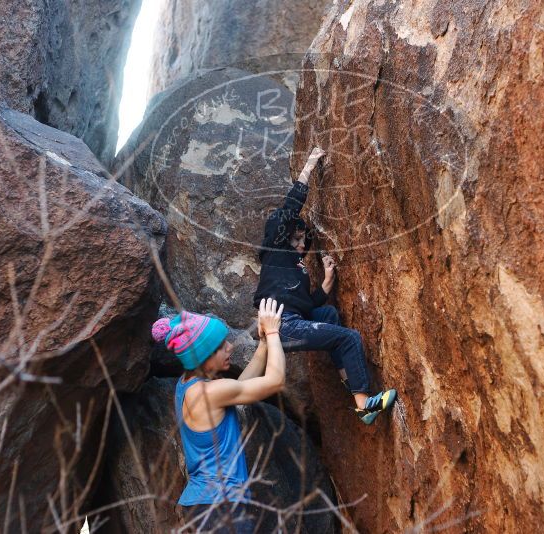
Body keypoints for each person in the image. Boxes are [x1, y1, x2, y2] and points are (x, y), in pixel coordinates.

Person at [252, 147, 396, 424]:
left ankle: (349, 379)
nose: (300, 245)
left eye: (303, 241)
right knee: (349, 337)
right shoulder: (275, 252)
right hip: (281, 327)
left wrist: (326, 285)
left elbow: (308, 307)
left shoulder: (296, 269)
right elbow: (290, 208)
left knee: (328, 315)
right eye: (295, 239)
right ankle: (365, 406)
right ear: (281, 238)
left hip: (292, 321)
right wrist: (309, 165)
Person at [150, 298, 286, 533]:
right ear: (203, 357)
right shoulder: (208, 392)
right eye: (220, 346)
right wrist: (273, 332)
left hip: (204, 505)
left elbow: (240, 387)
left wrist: (264, 344)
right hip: (222, 507)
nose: (230, 347)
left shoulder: (188, 386)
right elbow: (275, 381)